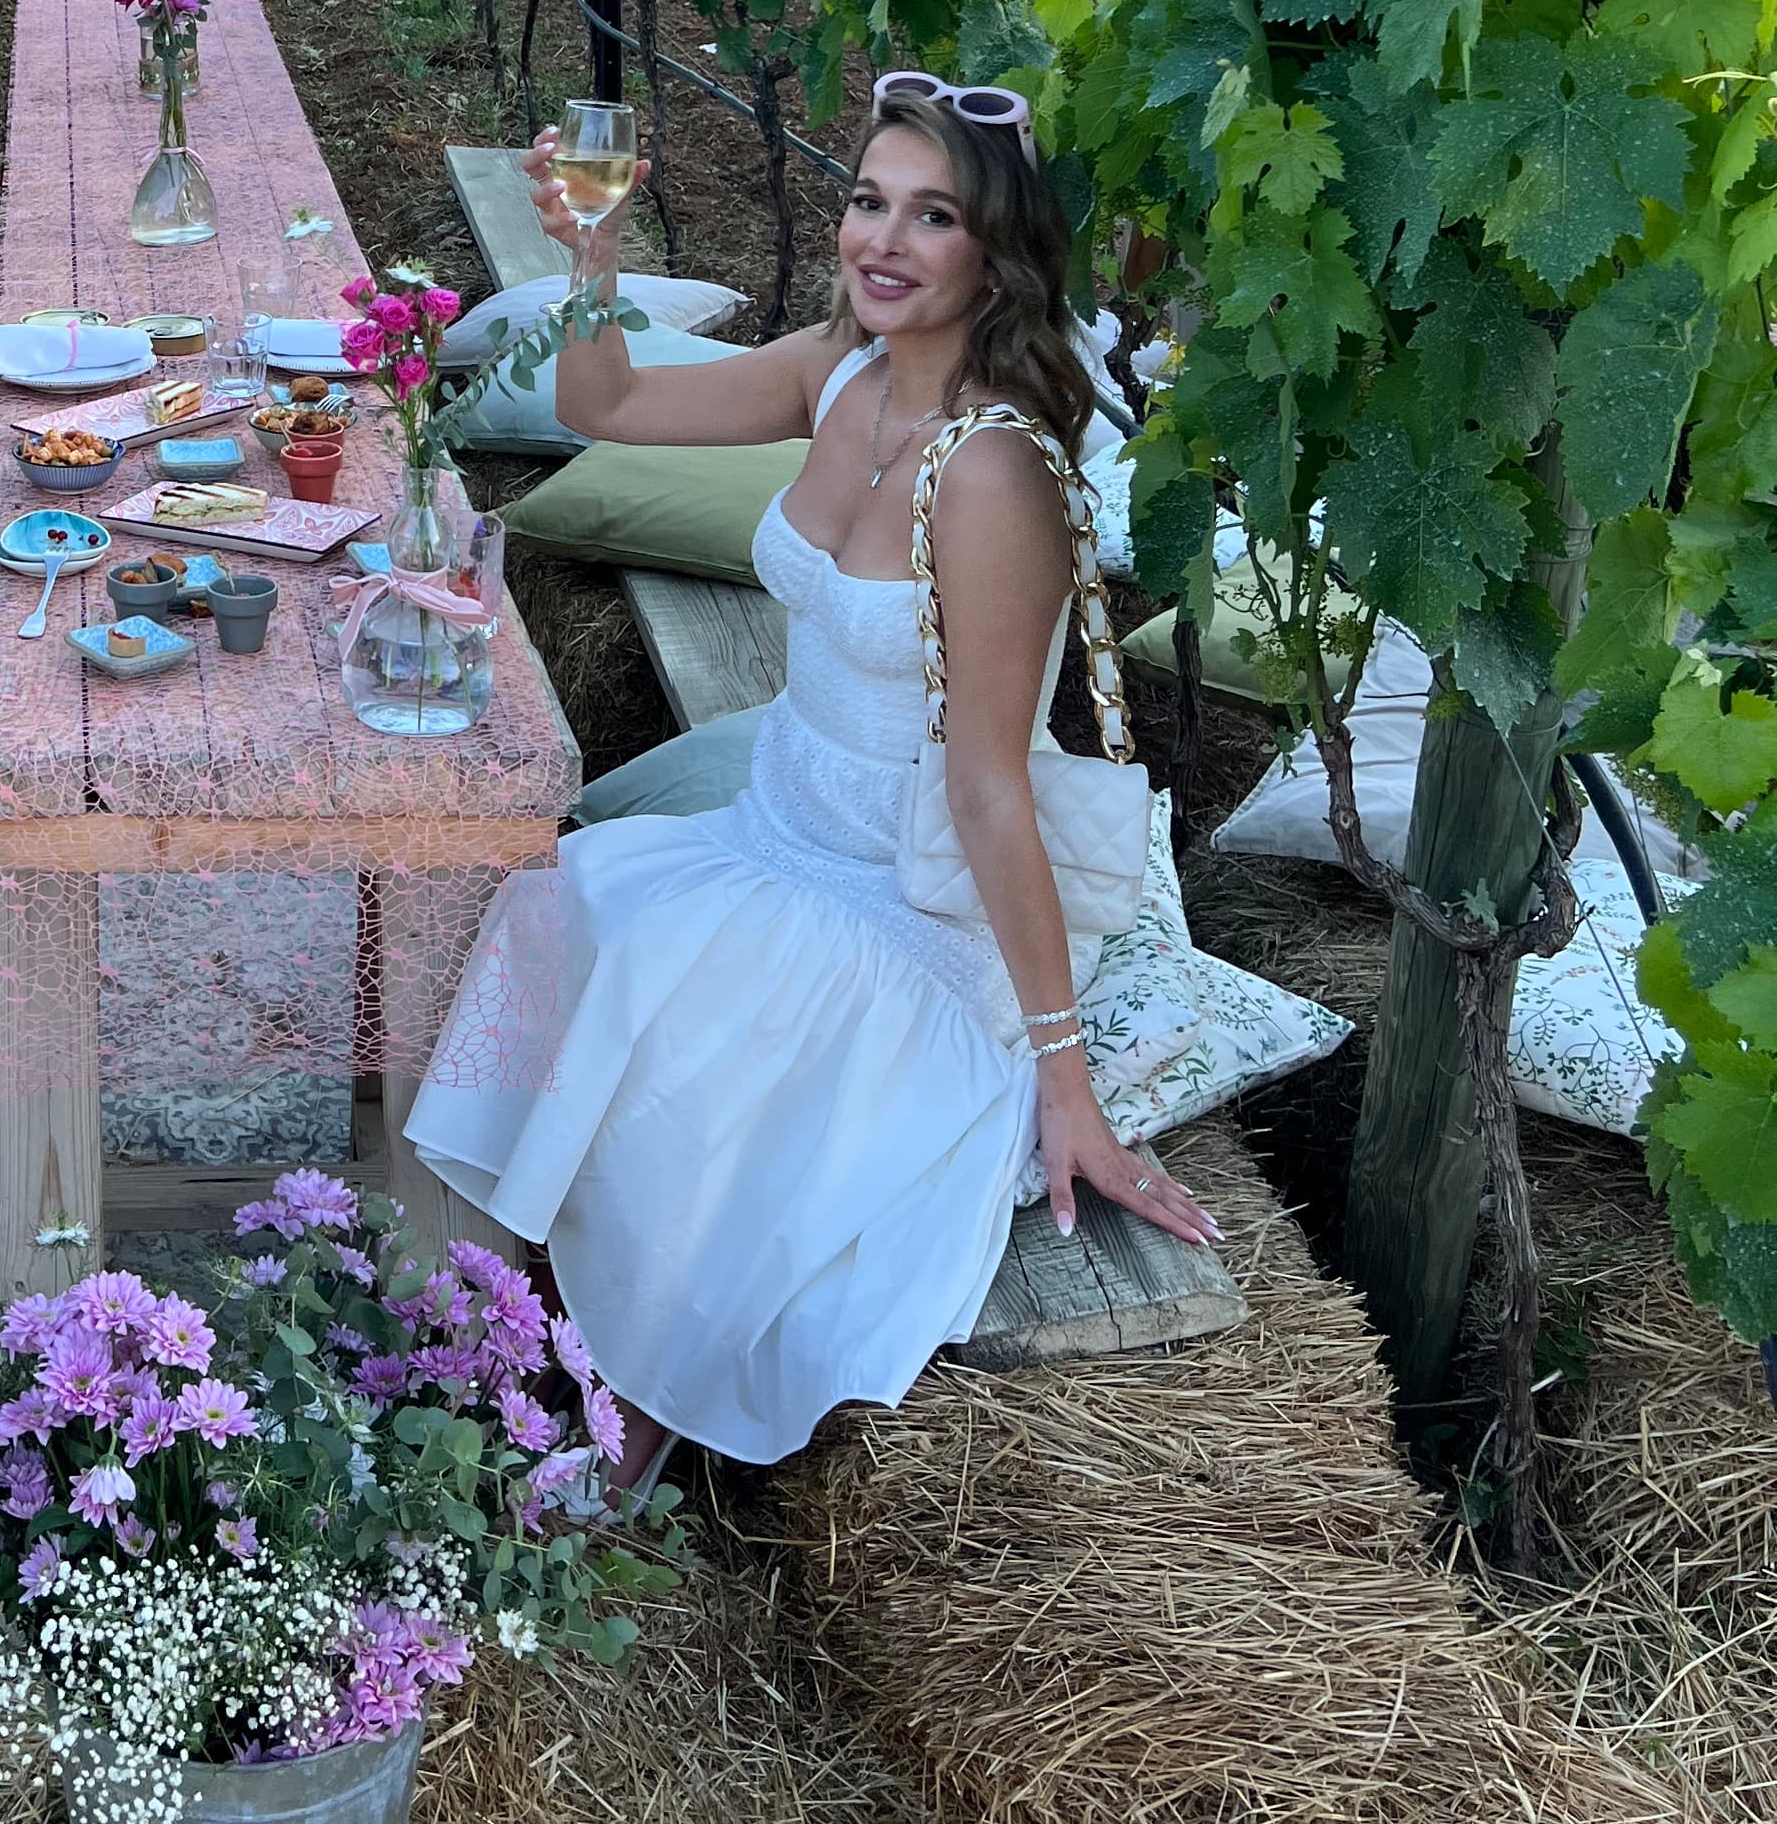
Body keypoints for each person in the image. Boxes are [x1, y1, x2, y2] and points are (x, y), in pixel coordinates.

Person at [401, 75, 1216, 1477]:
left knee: (711, 1056)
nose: (881, 242)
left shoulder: (994, 474)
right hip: (771, 829)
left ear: (998, 249)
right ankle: (510, 1341)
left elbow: (987, 790)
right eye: (868, 200)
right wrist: (593, 258)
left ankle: (629, 1437)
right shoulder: (840, 364)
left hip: (901, 900)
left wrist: (1061, 1083)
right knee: (573, 912)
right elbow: (607, 403)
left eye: (934, 214)